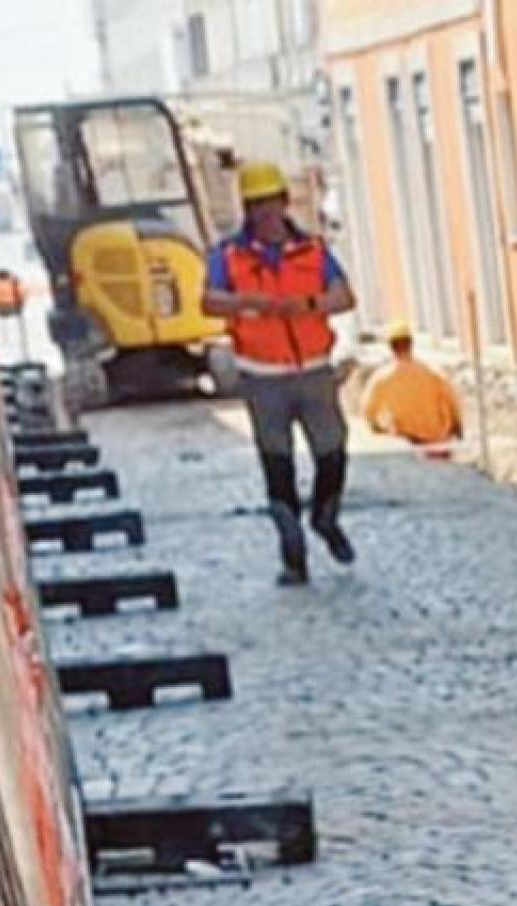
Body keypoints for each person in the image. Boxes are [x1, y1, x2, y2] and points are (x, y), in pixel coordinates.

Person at [201, 161, 356, 587]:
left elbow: (343, 296)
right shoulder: (228, 255)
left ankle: (326, 517)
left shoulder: (314, 250)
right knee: (277, 462)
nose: (265, 215)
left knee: (333, 451)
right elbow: (209, 301)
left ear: (284, 204)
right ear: (248, 210)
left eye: (270, 204)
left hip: (313, 370)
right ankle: (293, 556)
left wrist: (307, 306)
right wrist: (249, 302)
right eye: (256, 207)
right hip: (261, 374)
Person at [362, 320, 464, 450]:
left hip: (407, 444)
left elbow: (368, 411)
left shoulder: (382, 378)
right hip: (438, 442)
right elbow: (453, 402)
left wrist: (380, 429)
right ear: (411, 343)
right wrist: (457, 428)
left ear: (391, 346)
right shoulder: (432, 373)